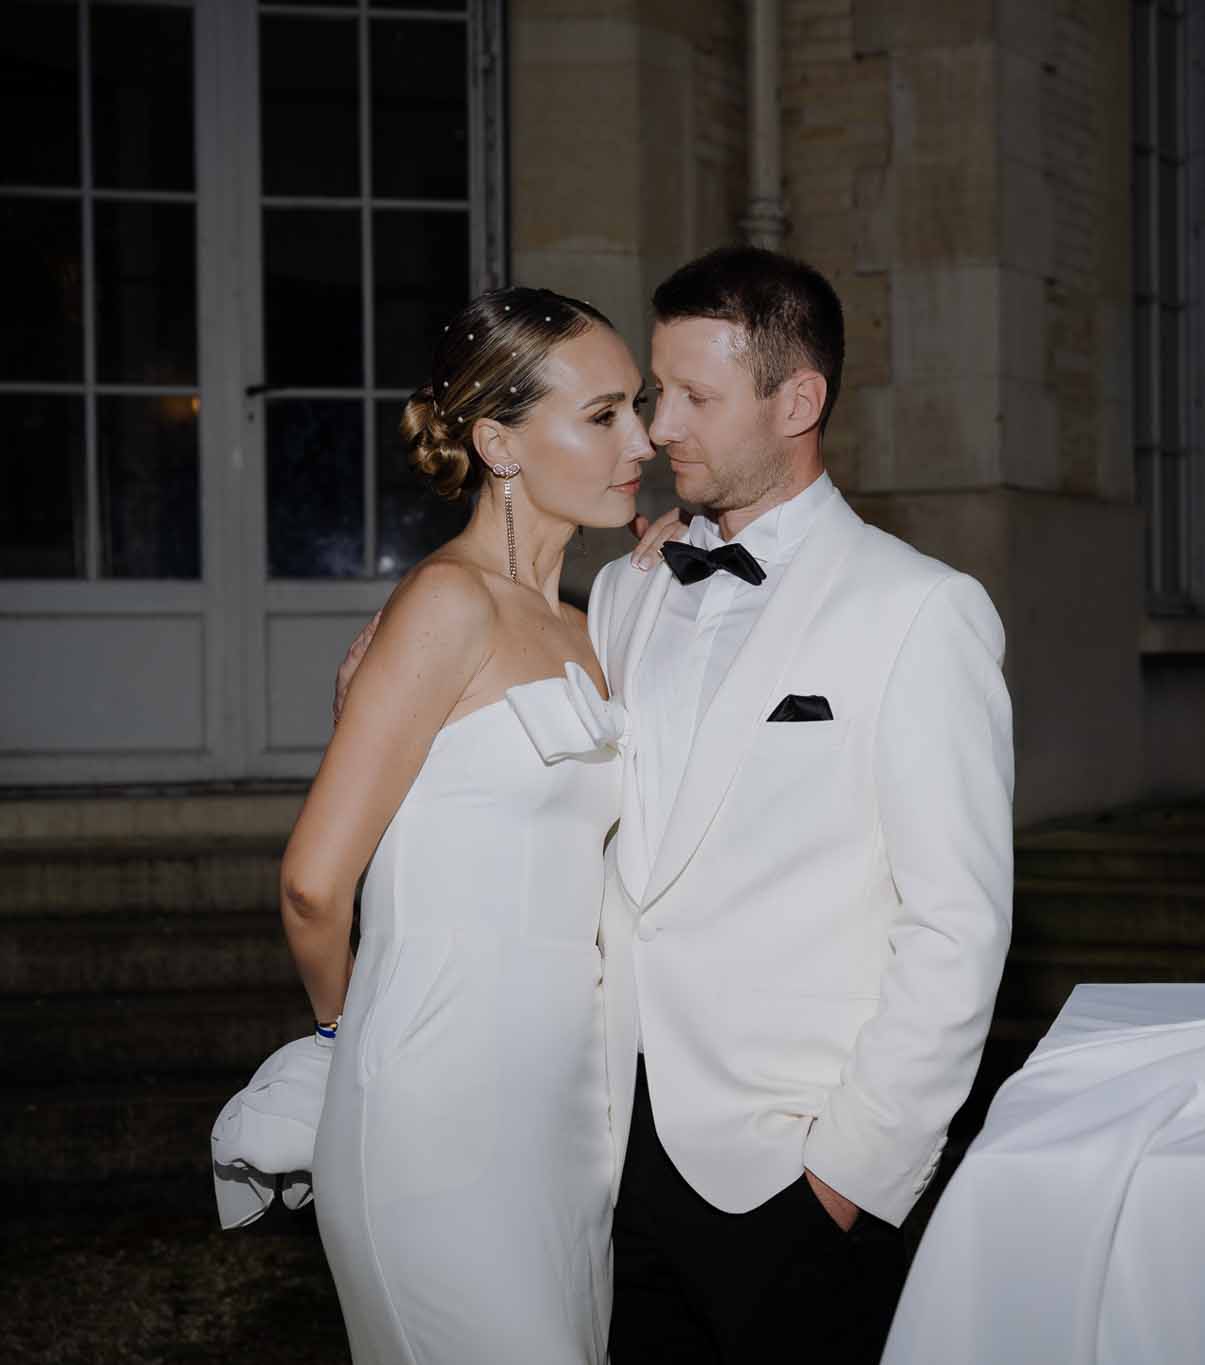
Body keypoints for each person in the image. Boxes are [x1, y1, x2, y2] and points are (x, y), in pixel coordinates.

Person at [335, 246, 1015, 1364]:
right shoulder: (625, 590)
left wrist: (847, 1175)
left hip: (790, 1165)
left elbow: (958, 928)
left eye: (694, 397)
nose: (656, 429)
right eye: (654, 392)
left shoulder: (918, 611)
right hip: (603, 1147)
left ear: (797, 401)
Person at [282, 286, 654, 1363]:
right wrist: (338, 1038)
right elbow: (314, 882)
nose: (641, 440)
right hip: (435, 1106)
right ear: (497, 439)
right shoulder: (446, 605)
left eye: (636, 409)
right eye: (602, 415)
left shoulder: (587, 631)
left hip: (565, 1107)